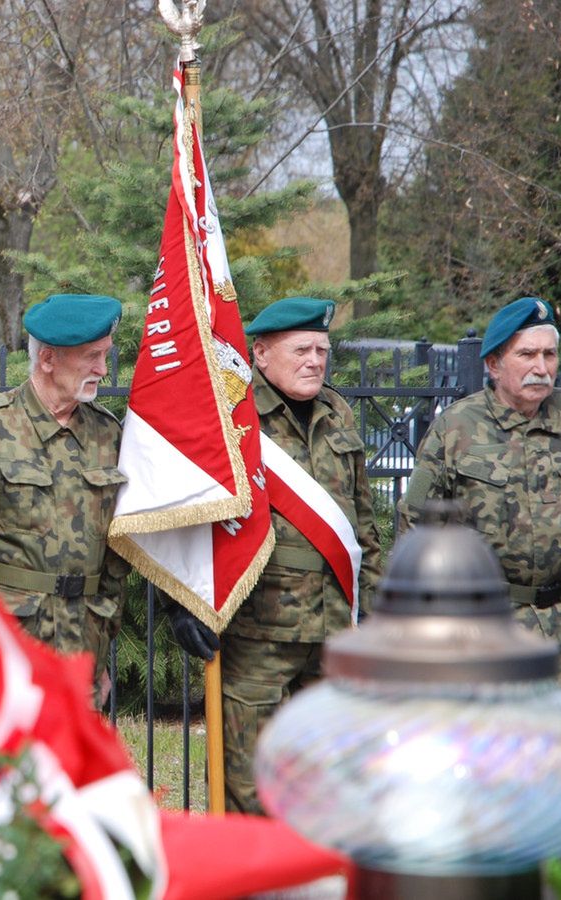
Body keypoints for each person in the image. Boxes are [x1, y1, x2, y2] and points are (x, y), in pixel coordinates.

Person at [167, 297, 382, 813]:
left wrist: (372, 612)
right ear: (260, 354)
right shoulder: (231, 416)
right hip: (257, 634)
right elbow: (185, 517)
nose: (315, 360)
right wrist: (182, 600)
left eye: (322, 350)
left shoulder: (338, 414)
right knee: (251, 783)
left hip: (333, 632)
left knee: (328, 784)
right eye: (302, 349)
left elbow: (363, 526)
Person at [400, 296, 561, 690]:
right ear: (493, 365)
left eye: (549, 354)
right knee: (493, 749)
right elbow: (417, 536)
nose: (541, 368)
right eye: (527, 354)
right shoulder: (456, 429)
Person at [0, 294, 130, 703]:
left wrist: (101, 644)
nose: (102, 369)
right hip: (7, 641)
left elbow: (116, 550)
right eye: (91, 357)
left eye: (105, 356)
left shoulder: (107, 433)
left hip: (83, 642)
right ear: (48, 359)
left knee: (74, 765)